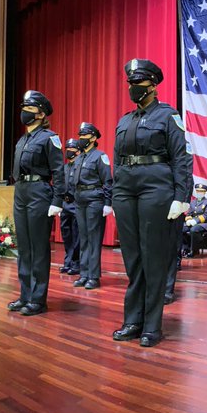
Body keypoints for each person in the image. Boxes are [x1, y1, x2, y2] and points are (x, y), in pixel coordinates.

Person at [109, 59, 193, 347]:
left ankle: (152, 325)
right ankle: (133, 320)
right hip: (125, 189)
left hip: (156, 187)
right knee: (132, 259)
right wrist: (113, 192)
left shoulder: (168, 117)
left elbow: (182, 158)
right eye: (130, 83)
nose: (133, 87)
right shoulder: (124, 120)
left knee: (153, 257)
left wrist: (181, 196)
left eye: (139, 83)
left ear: (153, 85)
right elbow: (117, 160)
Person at [9, 91, 65, 316]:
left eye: (29, 109)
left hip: (39, 191)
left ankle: (38, 299)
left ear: (41, 114)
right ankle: (25, 295)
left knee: (38, 247)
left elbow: (59, 171)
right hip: (21, 191)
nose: (24, 112)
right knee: (23, 247)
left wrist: (57, 200)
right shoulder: (23, 139)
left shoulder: (49, 137)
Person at [71, 123, 113, 289]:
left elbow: (108, 181)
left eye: (85, 136)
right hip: (80, 199)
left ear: (94, 138)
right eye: (80, 136)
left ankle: (93, 277)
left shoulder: (100, 156)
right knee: (83, 238)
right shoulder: (79, 158)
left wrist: (108, 203)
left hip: (95, 200)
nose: (81, 139)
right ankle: (84, 273)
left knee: (94, 239)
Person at [58, 139, 82, 275]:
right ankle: (68, 262)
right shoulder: (65, 167)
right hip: (65, 204)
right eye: (67, 148)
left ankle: (76, 263)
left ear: (78, 151)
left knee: (77, 234)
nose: (68, 151)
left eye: (71, 149)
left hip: (76, 203)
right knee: (66, 234)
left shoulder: (80, 165)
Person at [182, 183, 207, 257]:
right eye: (198, 191)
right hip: (192, 222)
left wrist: (195, 221)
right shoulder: (193, 202)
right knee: (182, 228)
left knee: (193, 229)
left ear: (204, 192)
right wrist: (188, 220)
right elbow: (189, 214)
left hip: (203, 224)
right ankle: (186, 249)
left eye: (201, 191)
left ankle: (194, 250)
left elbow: (206, 215)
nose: (199, 193)